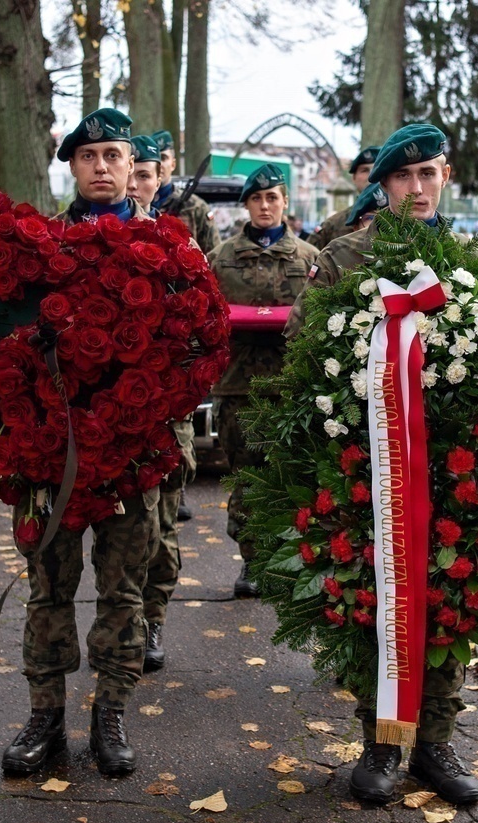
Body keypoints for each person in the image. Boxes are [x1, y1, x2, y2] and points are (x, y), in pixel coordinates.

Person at [285, 123, 478, 807]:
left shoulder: (477, 260)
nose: (416, 187)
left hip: (451, 467)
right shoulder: (346, 259)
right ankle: (382, 740)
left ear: (446, 177)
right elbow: (302, 343)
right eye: (403, 177)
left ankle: (434, 741)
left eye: (428, 174)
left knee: (449, 598)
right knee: (375, 601)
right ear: (382, 184)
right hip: (367, 466)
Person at [2, 108, 162, 779]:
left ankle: (111, 713)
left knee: (124, 589)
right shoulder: (42, 248)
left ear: (135, 167)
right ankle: (45, 715)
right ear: (71, 166)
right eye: (89, 155)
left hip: (131, 450)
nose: (102, 166)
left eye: (114, 155)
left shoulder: (166, 251)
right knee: (48, 586)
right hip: (52, 453)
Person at [207, 164, 319, 598]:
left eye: (273, 198)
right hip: (239, 385)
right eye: (257, 199)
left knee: (291, 477)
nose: (265, 206)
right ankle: (252, 560)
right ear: (247, 205)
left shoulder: (309, 259)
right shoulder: (222, 258)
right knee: (247, 478)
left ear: (285, 202)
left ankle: (288, 559)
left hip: (291, 385)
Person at [126, 133, 197, 674]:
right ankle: (118, 621)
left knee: (161, 525)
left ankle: (151, 619)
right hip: (106, 415)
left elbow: (202, 327)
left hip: (165, 412)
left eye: (145, 174)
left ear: (158, 181)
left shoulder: (179, 245)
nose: (135, 182)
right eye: (130, 171)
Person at [150, 130, 220, 253]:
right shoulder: (134, 203)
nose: (159, 165)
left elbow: (214, 256)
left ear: (173, 164)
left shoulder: (196, 207)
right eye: (154, 159)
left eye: (163, 158)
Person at [306, 146, 380, 251]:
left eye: (377, 168)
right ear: (353, 178)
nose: (372, 175)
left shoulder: (405, 217)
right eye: (364, 170)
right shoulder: (332, 225)